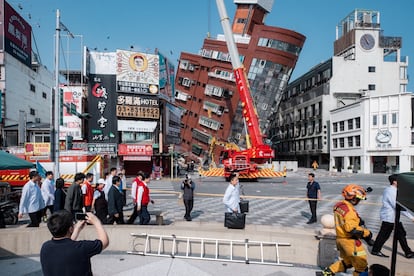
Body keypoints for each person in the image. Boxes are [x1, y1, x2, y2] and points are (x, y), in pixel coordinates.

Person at [322, 184, 374, 276]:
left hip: (340, 239)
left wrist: (357, 220)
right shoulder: (350, 211)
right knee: (361, 266)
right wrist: (367, 233)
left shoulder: (339, 206)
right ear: (354, 198)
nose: (358, 201)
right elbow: (352, 229)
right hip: (350, 242)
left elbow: (345, 220)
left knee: (348, 262)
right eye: (358, 199)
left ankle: (327, 273)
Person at [40, 210, 109, 276]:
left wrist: (76, 230)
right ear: (70, 229)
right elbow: (104, 242)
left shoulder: (45, 247)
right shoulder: (81, 248)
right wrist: (96, 222)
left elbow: (65, 247)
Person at [370, 174, 414, 258]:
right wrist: (411, 217)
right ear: (394, 182)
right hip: (389, 217)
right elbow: (397, 205)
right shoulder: (390, 191)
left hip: (394, 218)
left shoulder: (395, 190)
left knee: (401, 234)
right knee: (384, 235)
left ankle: (408, 252)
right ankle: (375, 250)